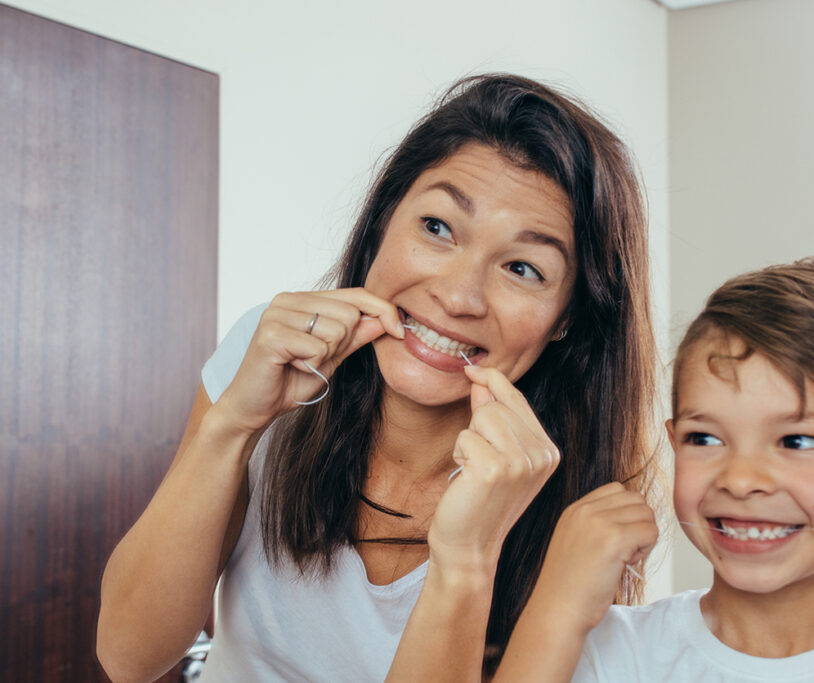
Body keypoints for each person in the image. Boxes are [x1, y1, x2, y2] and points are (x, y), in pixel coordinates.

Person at [95, 73, 658, 682]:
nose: (457, 294)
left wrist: (468, 560)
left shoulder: (582, 508)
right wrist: (232, 426)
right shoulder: (275, 350)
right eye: (437, 228)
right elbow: (129, 656)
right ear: (384, 222)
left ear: (566, 319)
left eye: (522, 267)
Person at [495, 257, 814, 682]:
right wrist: (555, 612)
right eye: (705, 438)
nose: (740, 480)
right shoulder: (610, 652)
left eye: (798, 440)